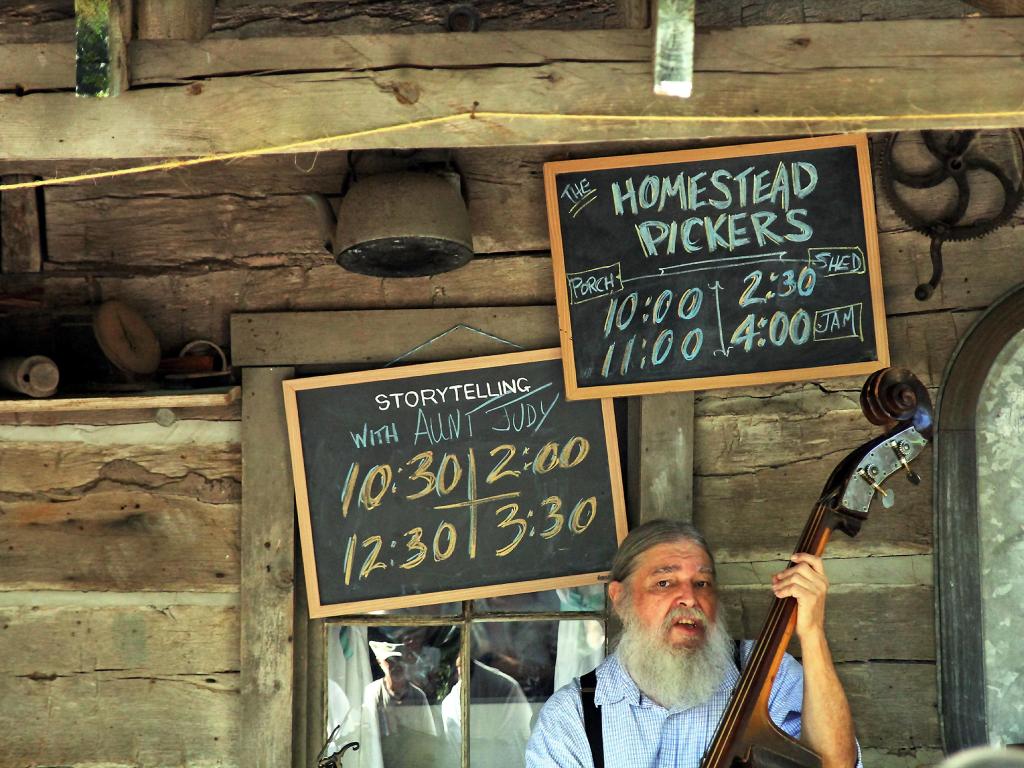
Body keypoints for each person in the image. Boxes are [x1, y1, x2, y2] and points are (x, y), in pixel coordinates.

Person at [525, 520, 861, 768]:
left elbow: (836, 765)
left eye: (702, 582)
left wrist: (813, 632)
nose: (689, 597)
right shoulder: (571, 719)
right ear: (620, 597)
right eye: (665, 582)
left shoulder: (769, 675)